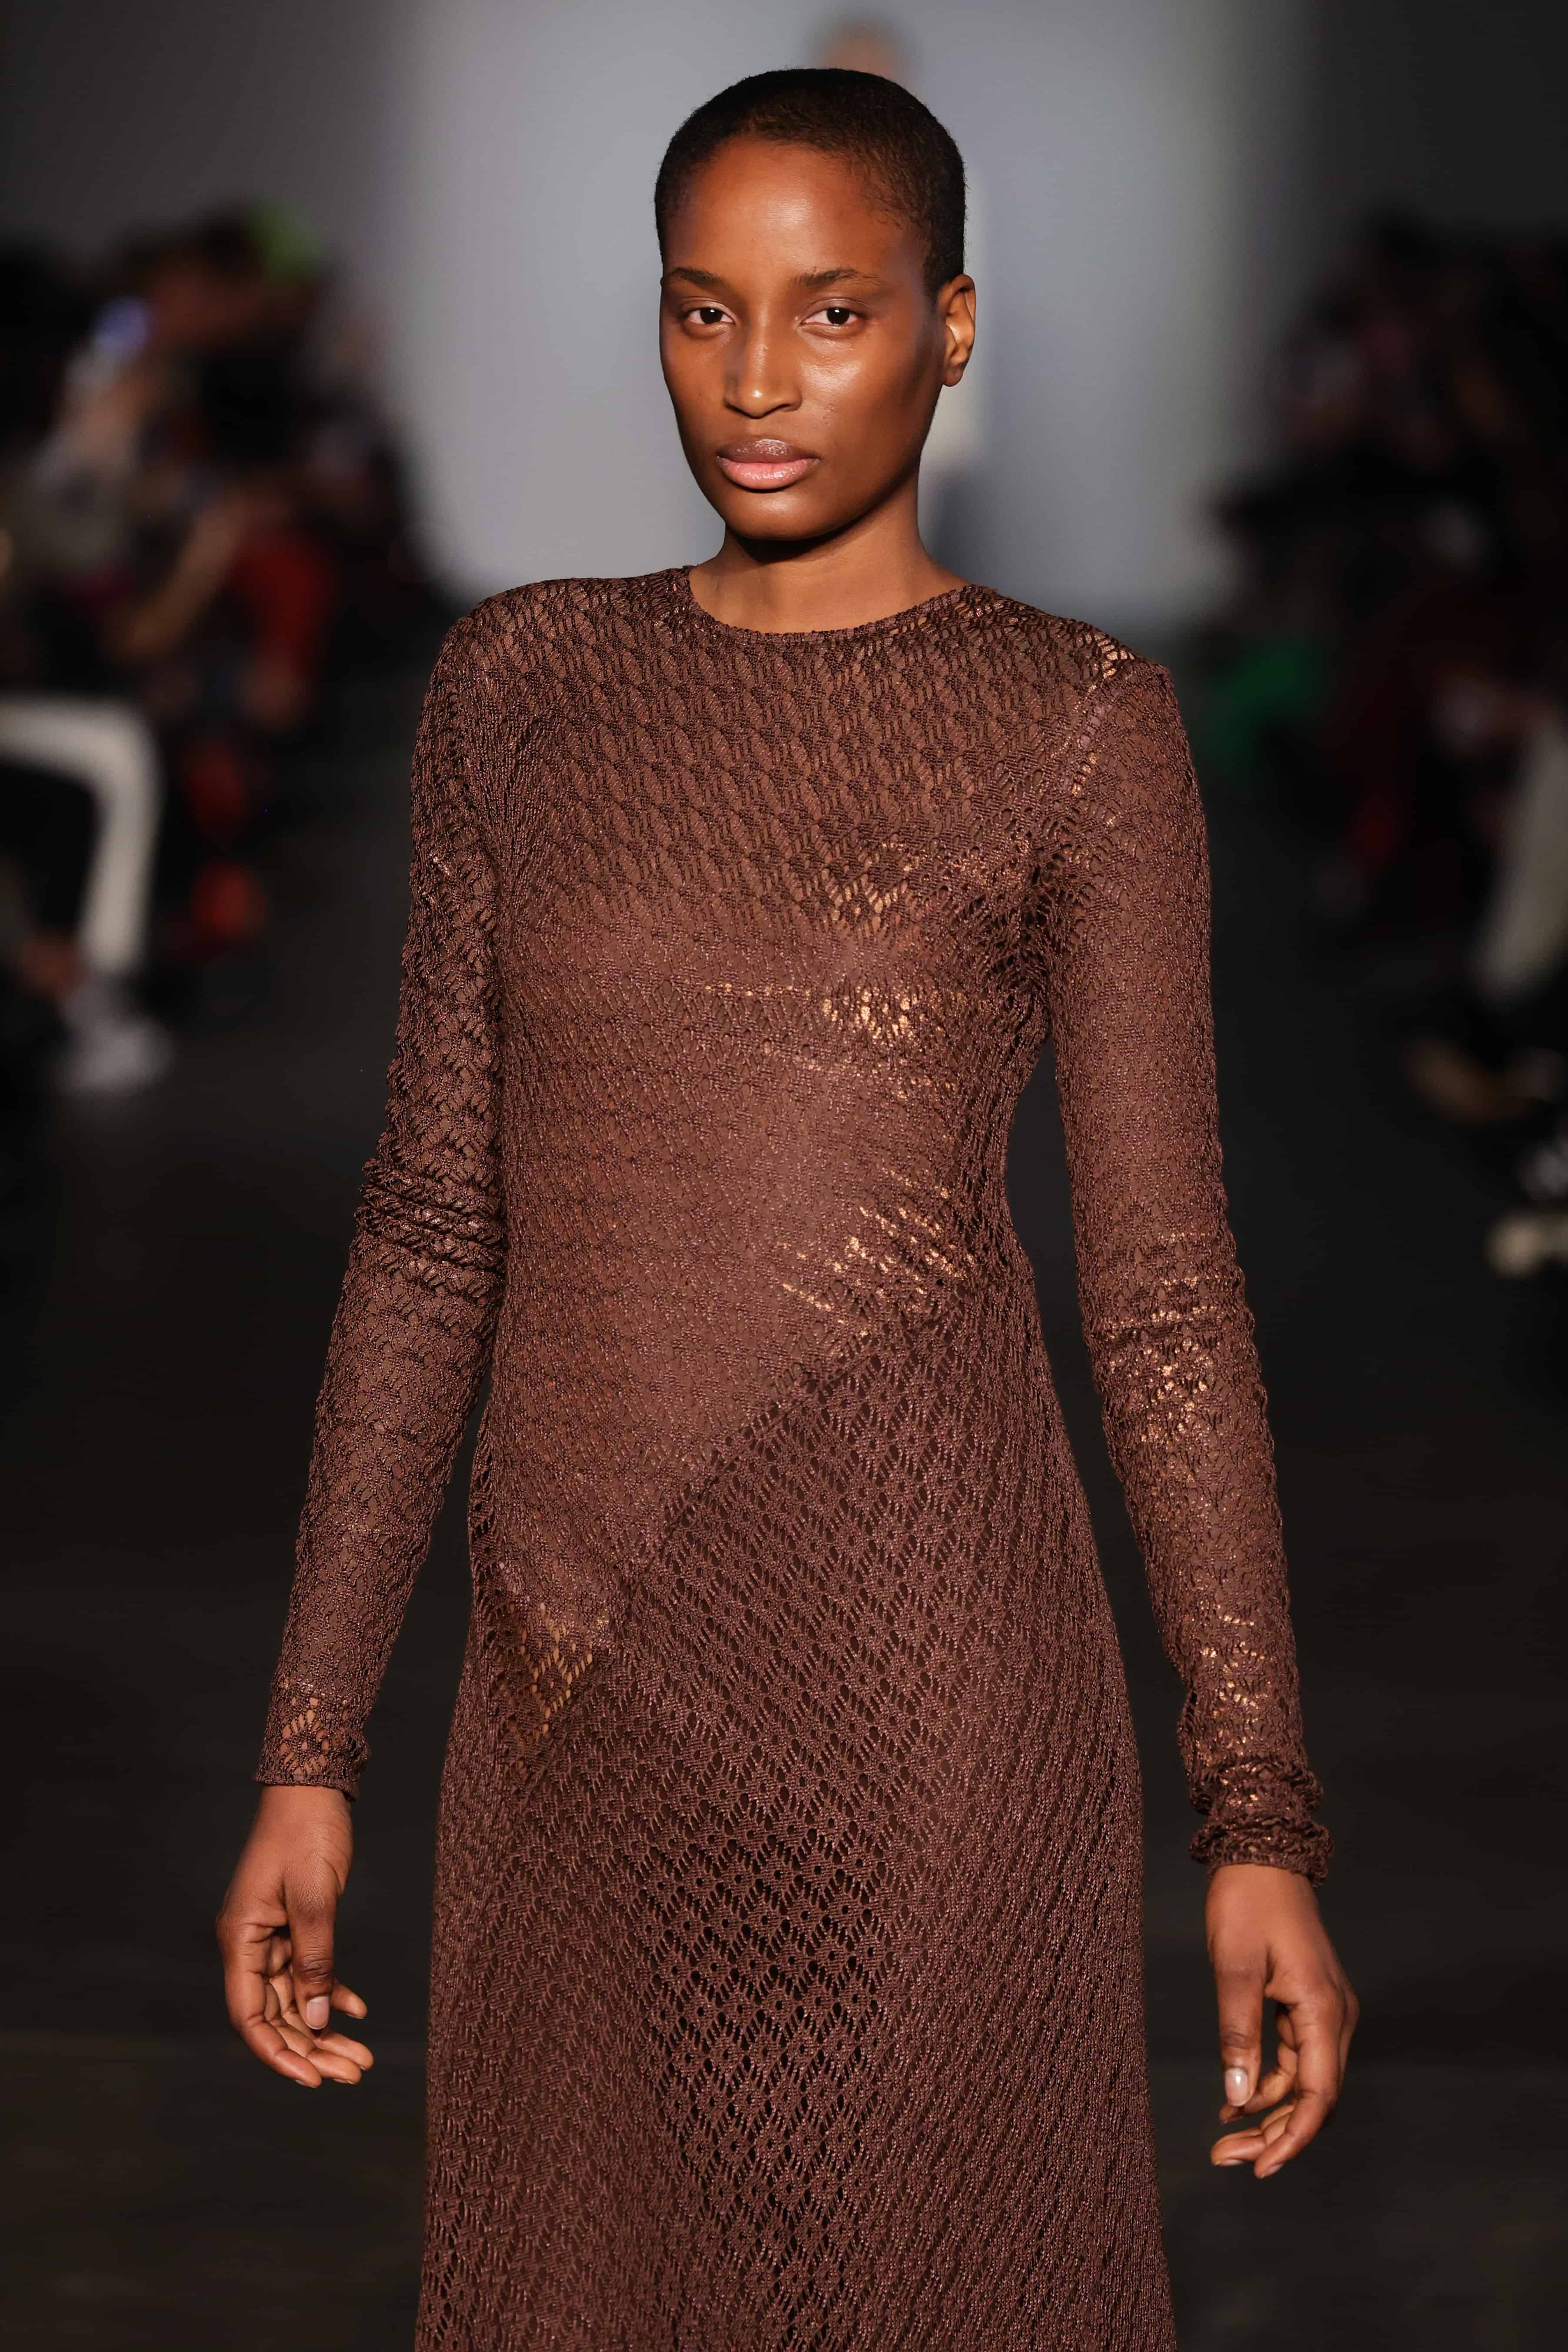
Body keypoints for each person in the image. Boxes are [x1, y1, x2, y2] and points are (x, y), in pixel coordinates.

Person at [218, 69, 1355, 2349]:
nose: (754, 380)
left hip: (934, 1692)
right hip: (577, 1687)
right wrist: (307, 1753)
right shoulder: (523, 687)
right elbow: (432, 1228)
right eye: (701, 308)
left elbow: (1157, 1291)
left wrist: (1257, 1813)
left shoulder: (1073, 722)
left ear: (950, 326)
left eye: (831, 310)